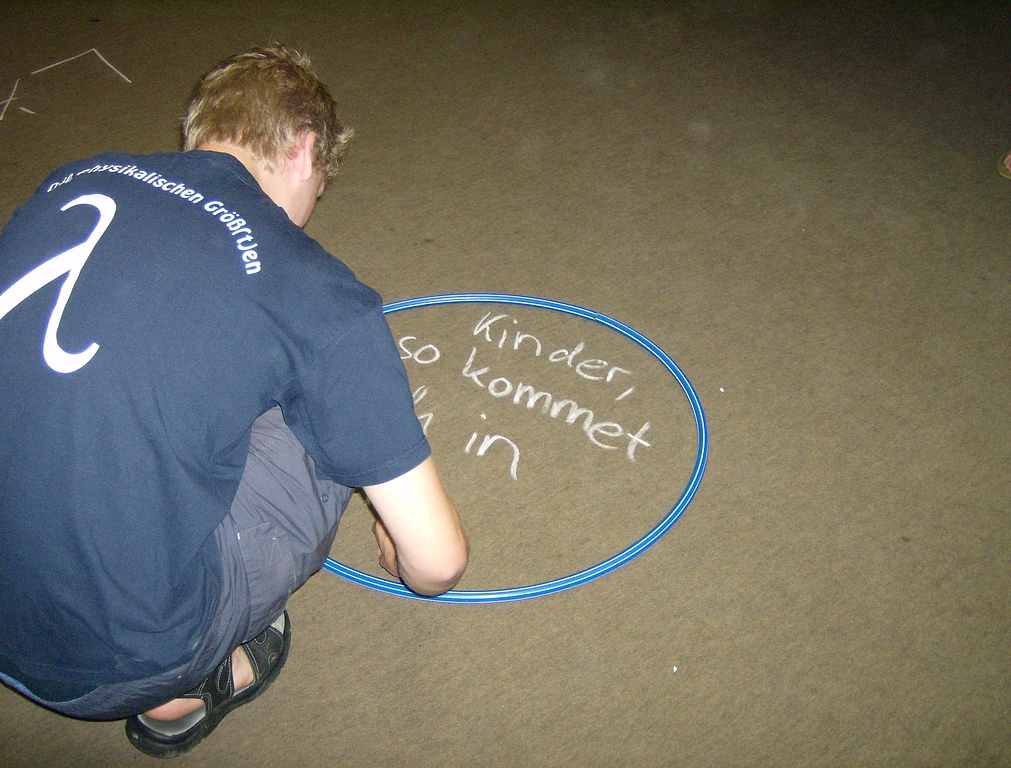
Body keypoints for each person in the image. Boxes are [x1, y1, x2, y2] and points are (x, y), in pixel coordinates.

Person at [0, 45, 468, 758]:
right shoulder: (316, 292)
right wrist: (400, 547)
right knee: (320, 416)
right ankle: (181, 690)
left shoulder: (74, 178)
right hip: (108, 662)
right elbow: (438, 566)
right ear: (305, 150)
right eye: (320, 188)